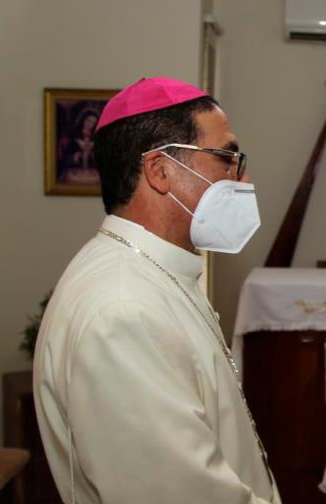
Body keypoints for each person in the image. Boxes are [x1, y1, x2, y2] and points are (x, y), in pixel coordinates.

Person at [33, 77, 281, 503]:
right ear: (161, 171)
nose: (243, 177)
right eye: (227, 158)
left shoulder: (152, 273)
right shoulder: (121, 312)